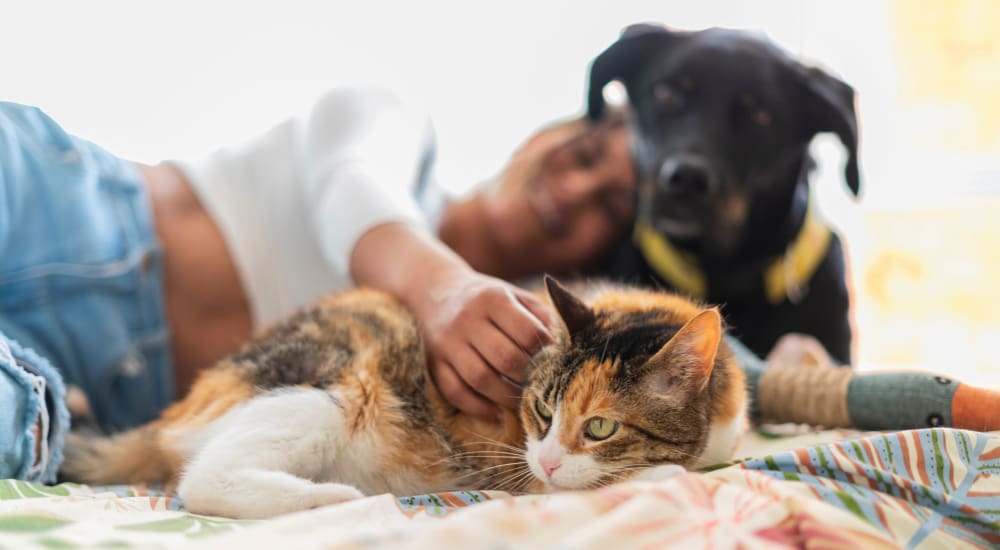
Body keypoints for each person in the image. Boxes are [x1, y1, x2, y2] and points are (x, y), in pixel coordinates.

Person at [2, 86, 997, 484]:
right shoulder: (398, 136)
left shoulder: (543, 347)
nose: (576, 190)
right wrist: (440, 292)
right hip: (62, 205)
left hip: (75, 384)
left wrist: (823, 375)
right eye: (585, 151)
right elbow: (358, 197)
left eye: (612, 202)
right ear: (543, 131)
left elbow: (714, 366)